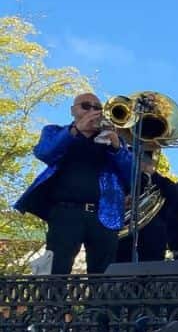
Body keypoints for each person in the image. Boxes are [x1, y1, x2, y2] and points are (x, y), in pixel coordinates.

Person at [14, 92, 134, 274]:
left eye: (97, 107)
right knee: (57, 269)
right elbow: (45, 153)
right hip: (65, 213)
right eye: (86, 106)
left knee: (104, 273)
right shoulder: (55, 131)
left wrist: (117, 147)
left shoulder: (113, 141)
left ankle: (98, 304)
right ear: (73, 111)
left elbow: (132, 175)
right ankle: (53, 303)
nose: (93, 110)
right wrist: (76, 130)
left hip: (105, 214)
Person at [115, 150, 178, 264]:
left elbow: (177, 198)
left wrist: (153, 174)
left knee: (151, 275)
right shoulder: (121, 179)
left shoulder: (160, 182)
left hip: (153, 240)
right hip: (123, 238)